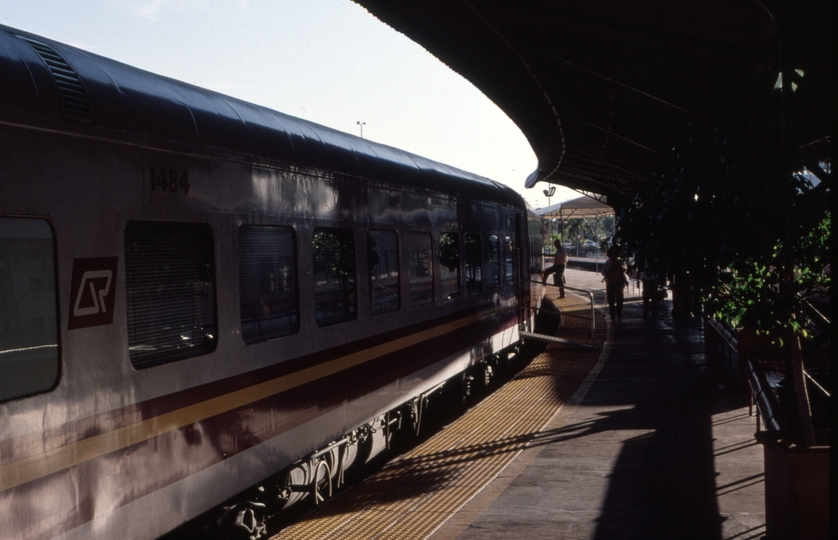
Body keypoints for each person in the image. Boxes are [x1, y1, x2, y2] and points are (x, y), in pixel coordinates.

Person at [601, 245, 627, 319]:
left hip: (619, 282)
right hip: (611, 282)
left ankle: (619, 311)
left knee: (619, 298)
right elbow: (603, 271)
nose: (614, 254)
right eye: (613, 253)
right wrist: (606, 275)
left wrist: (622, 267)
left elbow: (625, 269)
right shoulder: (608, 262)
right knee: (611, 298)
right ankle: (612, 313)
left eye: (616, 253)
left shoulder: (620, 261)